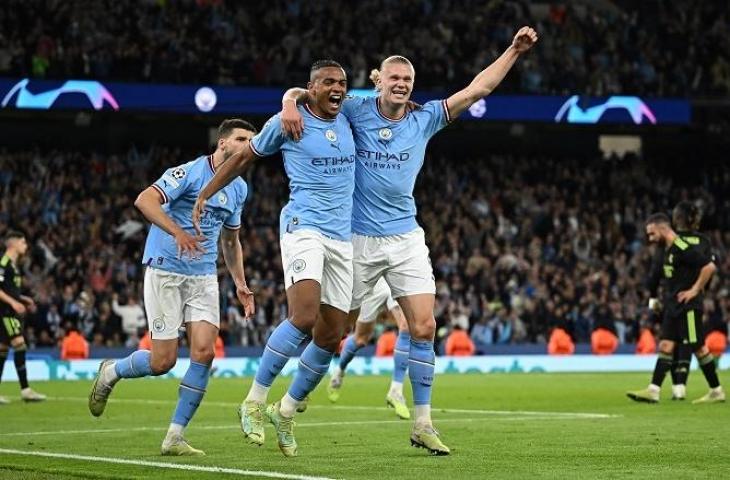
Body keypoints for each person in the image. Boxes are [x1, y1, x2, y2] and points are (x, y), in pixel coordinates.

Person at [281, 26, 538, 455]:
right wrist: (290, 101)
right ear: (377, 79)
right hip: (357, 239)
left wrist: (513, 50)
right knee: (332, 335)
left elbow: (478, 89)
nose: (401, 84)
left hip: (406, 238)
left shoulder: (425, 117)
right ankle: (289, 404)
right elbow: (311, 92)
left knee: (424, 326)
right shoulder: (355, 109)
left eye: (407, 80)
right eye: (393, 78)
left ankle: (422, 423)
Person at [193, 60, 356, 458]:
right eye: (328, 83)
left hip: (342, 235)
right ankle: (253, 398)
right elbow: (245, 158)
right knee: (303, 315)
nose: (337, 89)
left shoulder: (351, 114)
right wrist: (206, 192)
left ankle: (284, 410)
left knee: (333, 334)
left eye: (342, 83)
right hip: (304, 226)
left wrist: (290, 97)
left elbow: (383, 100)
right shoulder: (288, 123)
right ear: (311, 87)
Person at [88, 118, 257, 456]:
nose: (247, 146)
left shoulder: (239, 187)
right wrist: (176, 231)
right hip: (166, 271)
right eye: (241, 139)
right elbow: (144, 200)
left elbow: (231, 240)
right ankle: (111, 371)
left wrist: (240, 282)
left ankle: (174, 437)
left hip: (204, 277)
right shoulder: (189, 172)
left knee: (205, 353)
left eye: (251, 141)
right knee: (162, 362)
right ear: (223, 143)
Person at [627, 208, 724, 404]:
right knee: (665, 344)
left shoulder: (681, 246)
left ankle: (716, 390)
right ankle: (653, 390)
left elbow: (709, 266)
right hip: (672, 307)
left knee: (698, 347)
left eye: (652, 233)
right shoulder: (667, 249)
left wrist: (695, 290)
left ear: (662, 229)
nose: (651, 238)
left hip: (688, 306)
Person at [328, 277, 412, 420]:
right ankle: (339, 371)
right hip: (374, 280)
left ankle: (396, 391)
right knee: (360, 340)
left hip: (395, 274)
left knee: (406, 326)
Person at [0, 230, 46, 404]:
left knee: (3, 351)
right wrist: (13, 303)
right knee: (20, 345)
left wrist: (22, 299)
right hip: (6, 313)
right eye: (23, 242)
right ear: (13, 244)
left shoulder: (13, 265)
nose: (25, 246)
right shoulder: (4, 263)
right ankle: (26, 390)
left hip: (7, 312)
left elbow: (8, 289)